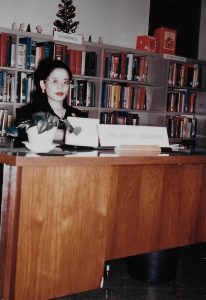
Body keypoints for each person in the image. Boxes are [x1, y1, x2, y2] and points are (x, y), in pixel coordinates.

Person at [15, 58, 85, 144]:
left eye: (65, 82)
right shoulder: (27, 112)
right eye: (55, 81)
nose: (60, 87)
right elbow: (25, 136)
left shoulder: (78, 114)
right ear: (43, 84)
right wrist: (71, 134)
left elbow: (89, 138)